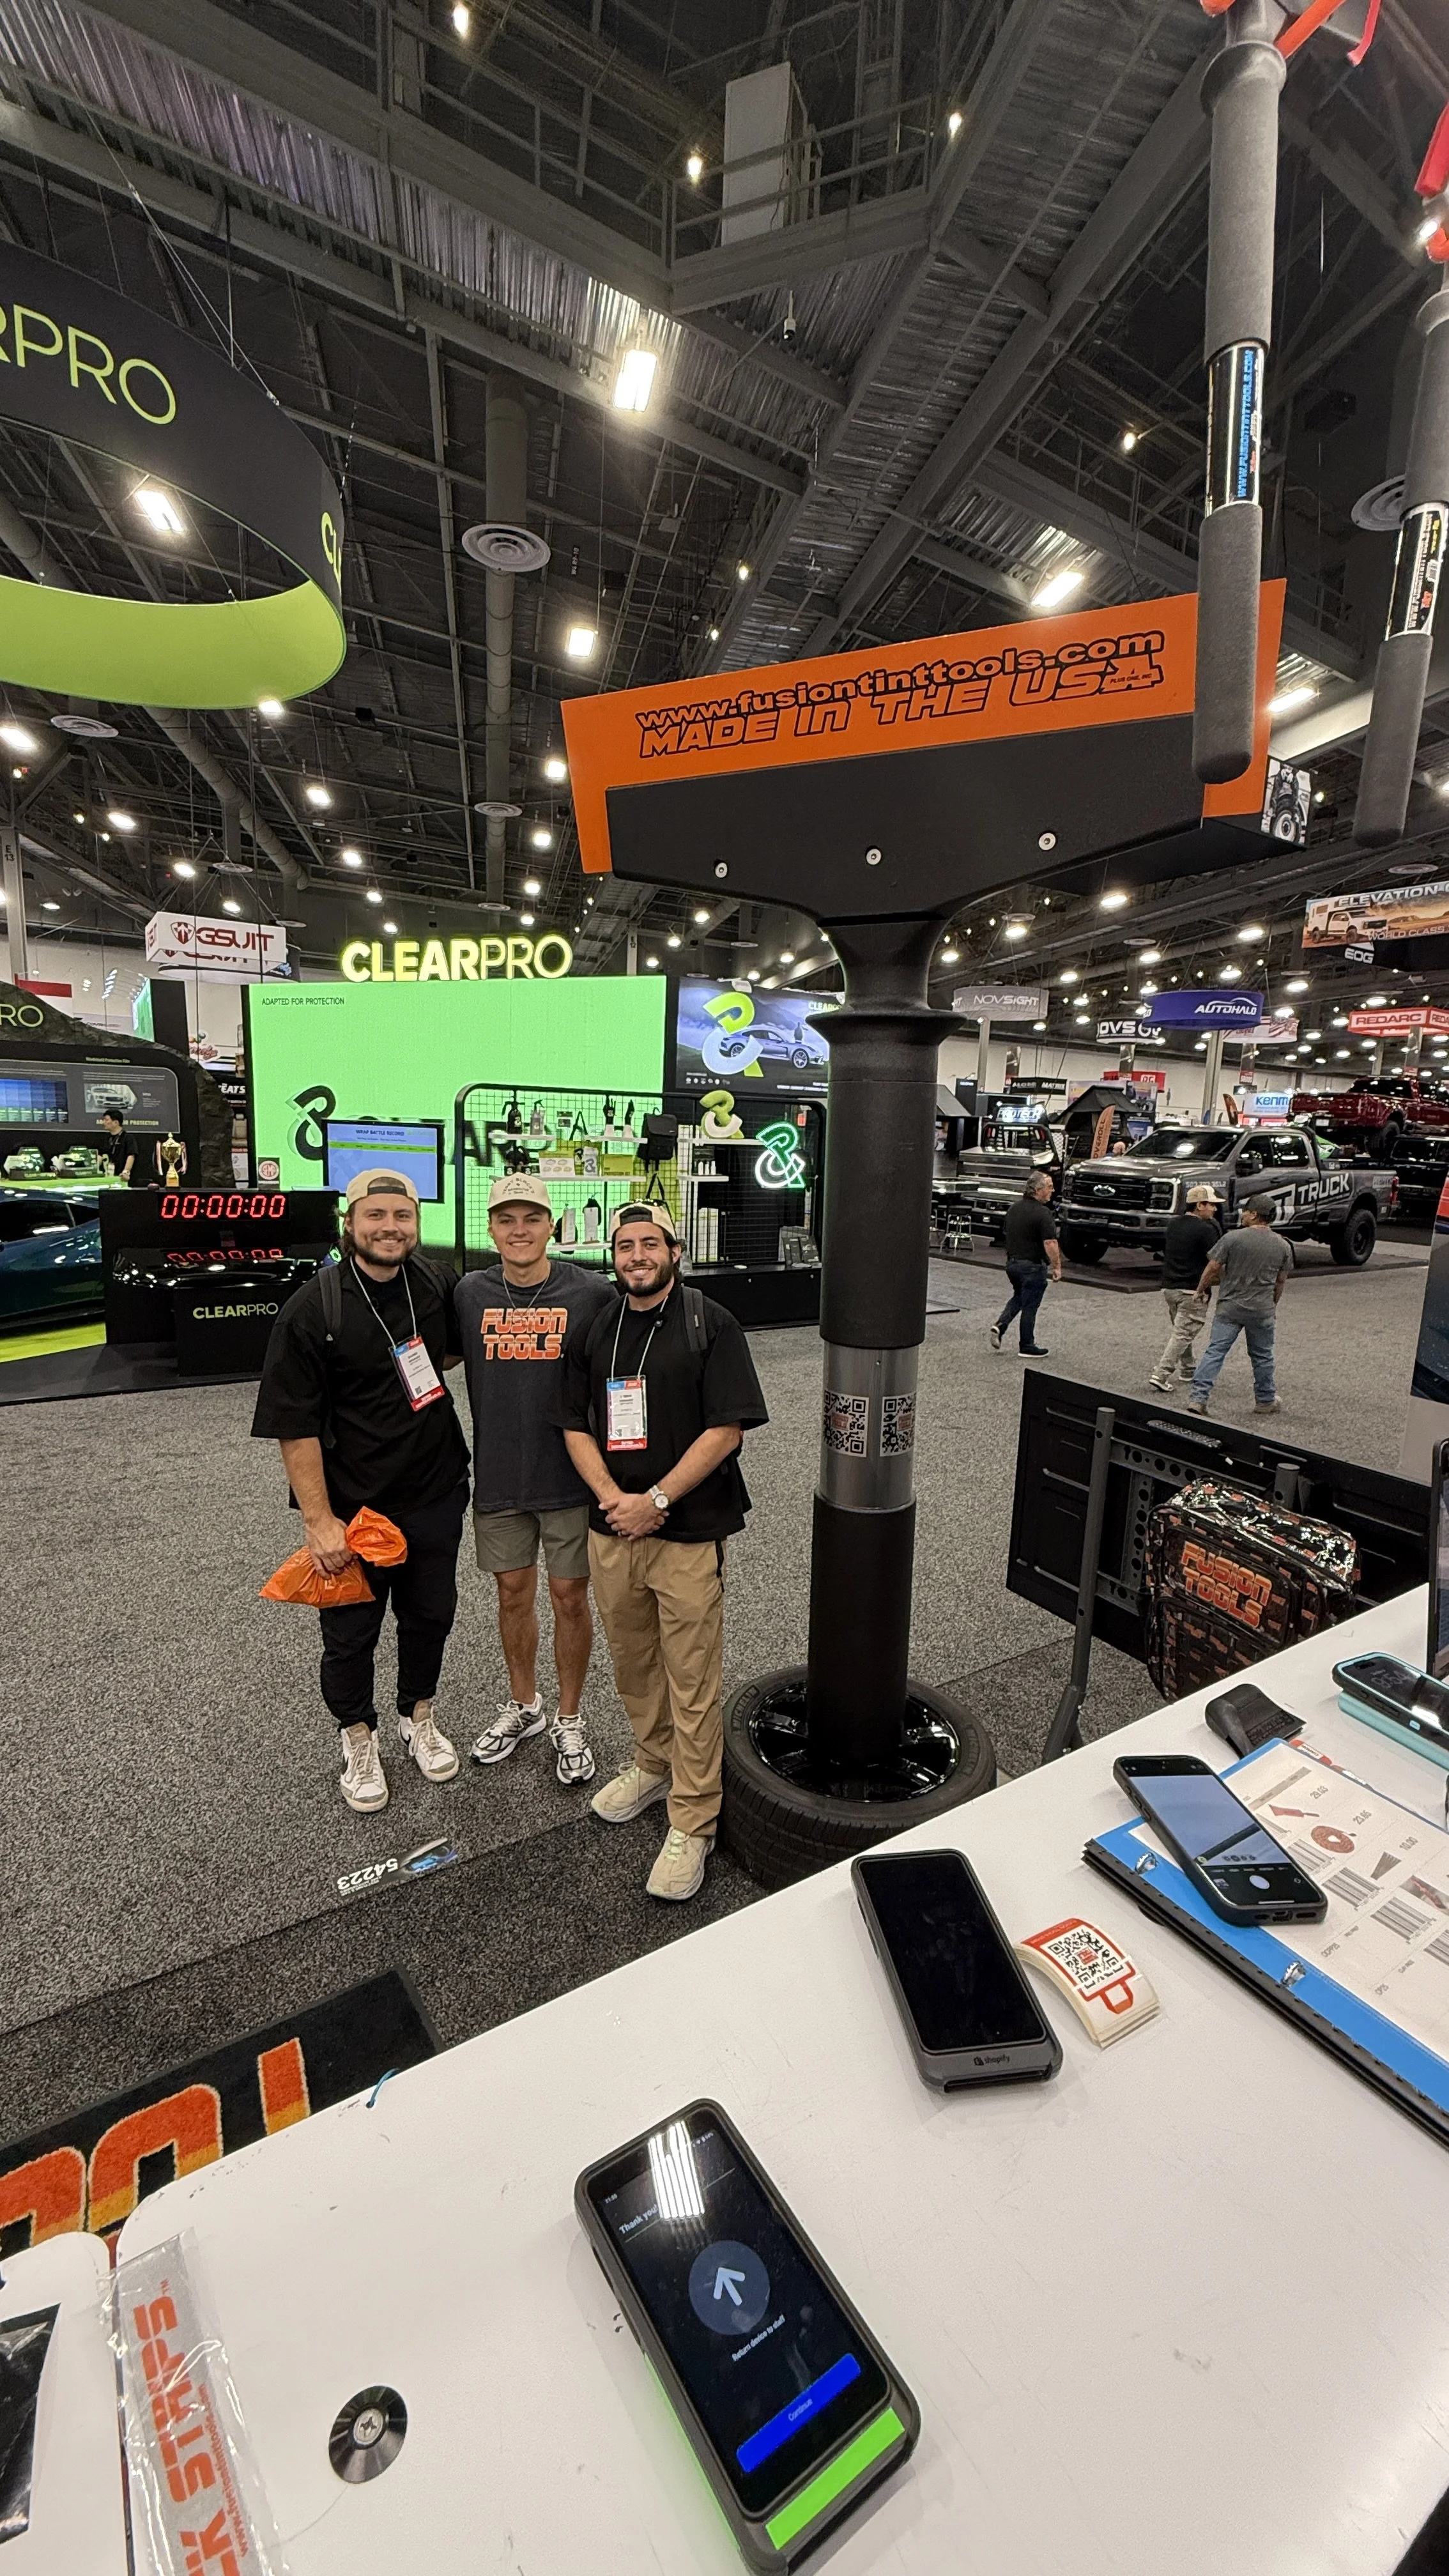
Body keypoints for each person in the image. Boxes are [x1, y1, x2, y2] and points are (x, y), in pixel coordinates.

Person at [560, 1202, 768, 1903]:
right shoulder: (596, 1324)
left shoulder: (711, 1322)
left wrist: (656, 1502)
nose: (637, 1254)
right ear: (612, 1255)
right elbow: (573, 1424)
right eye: (626, 1244)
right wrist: (614, 1501)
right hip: (611, 1529)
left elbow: (727, 1430)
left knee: (691, 1672)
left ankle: (693, 1817)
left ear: (674, 1252)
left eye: (650, 1243)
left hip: (686, 1530)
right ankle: (652, 1763)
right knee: (633, 1660)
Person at [251, 1167, 470, 1813]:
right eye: (375, 1216)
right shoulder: (314, 1307)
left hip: (435, 1491)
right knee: (350, 1635)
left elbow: (449, 1355)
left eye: (401, 1217)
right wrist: (319, 1521)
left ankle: (418, 1717)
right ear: (351, 1224)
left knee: (431, 1616)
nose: (389, 1228)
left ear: (415, 1224)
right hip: (353, 1512)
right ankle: (358, 1738)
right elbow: (294, 1426)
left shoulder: (433, 1284)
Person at [457, 1175, 618, 1786]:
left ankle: (570, 1716)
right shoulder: (470, 1293)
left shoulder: (591, 1292)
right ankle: (524, 1706)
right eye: (506, 1219)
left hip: (572, 1478)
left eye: (531, 1218)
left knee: (570, 1598)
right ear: (492, 1228)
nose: (519, 1230)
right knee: (511, 1594)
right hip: (498, 1476)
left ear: (552, 1225)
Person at [1186, 1201, 1292, 1417]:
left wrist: (1200, 1289)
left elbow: (1213, 1267)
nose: (1242, 1215)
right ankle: (1265, 1400)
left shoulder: (1232, 1238)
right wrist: (1273, 1306)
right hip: (1261, 1309)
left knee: (1215, 1352)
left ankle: (1198, 1399)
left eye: (1246, 1212)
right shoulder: (1283, 1245)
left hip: (1230, 1307)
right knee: (1263, 1356)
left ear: (1254, 1215)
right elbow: (1280, 1282)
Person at [1150, 1183, 1222, 1392]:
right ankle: (1161, 1373)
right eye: (1211, 1205)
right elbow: (1215, 1261)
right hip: (1193, 1290)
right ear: (1200, 1205)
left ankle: (1189, 1368)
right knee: (1183, 1334)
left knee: (1182, 1330)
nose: (1215, 1209)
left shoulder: (1173, 1224)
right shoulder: (1206, 1229)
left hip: (1170, 1287)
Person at [990, 1172, 1061, 1356]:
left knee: (1020, 1297)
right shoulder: (1043, 1214)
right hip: (1032, 1266)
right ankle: (1027, 1345)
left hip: (1013, 1264)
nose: (1052, 1191)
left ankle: (1001, 1325)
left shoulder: (1014, 1209)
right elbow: (1050, 1243)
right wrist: (1057, 1267)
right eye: (1049, 1187)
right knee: (1031, 1306)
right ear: (1038, 1190)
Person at [99, 1106, 148, 1186]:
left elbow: (131, 1156)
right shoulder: (106, 1139)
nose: (104, 1122)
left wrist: (126, 1172)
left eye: (107, 1120)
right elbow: (100, 1155)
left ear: (116, 1122)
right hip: (108, 1178)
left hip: (123, 1179)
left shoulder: (128, 1138)